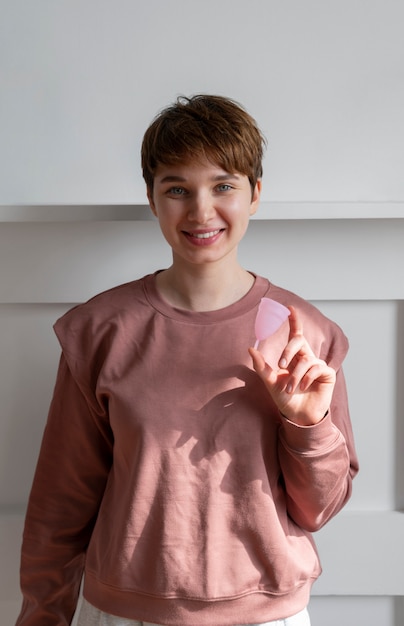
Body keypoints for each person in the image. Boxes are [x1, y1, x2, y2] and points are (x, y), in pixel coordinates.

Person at [15, 94, 358, 626]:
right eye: (177, 188)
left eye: (224, 186)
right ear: (152, 199)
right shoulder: (100, 331)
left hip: (267, 617)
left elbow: (319, 508)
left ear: (255, 194)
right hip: (122, 613)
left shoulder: (306, 334)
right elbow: (60, 504)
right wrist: (42, 615)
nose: (201, 211)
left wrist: (306, 423)